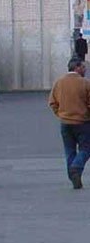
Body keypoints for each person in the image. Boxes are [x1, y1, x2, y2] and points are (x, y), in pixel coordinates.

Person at [49, 59, 90, 189]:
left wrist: (61, 114)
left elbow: (52, 102)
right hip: (82, 122)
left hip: (65, 122)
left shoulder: (59, 83)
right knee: (86, 148)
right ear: (77, 67)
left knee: (69, 150)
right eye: (83, 67)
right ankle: (76, 168)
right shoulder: (85, 83)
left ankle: (73, 176)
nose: (85, 70)